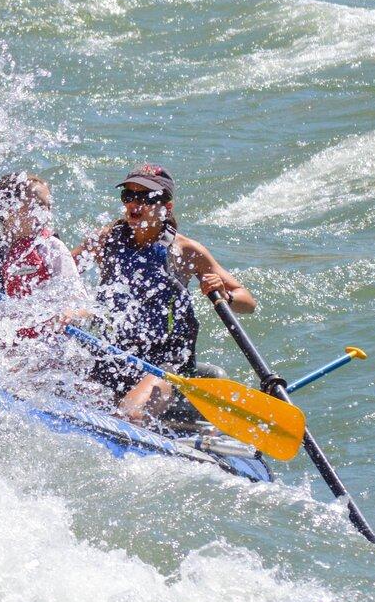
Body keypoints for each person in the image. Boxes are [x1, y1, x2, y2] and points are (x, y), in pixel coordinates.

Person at [73, 164, 255, 423]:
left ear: (166, 207)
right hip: (115, 353)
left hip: (165, 363)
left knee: (131, 416)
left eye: (147, 198)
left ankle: (191, 395)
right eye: (129, 196)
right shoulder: (106, 239)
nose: (135, 204)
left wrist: (225, 295)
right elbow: (64, 274)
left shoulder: (186, 251)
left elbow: (248, 302)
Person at [0, 172, 90, 339]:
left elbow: (82, 304)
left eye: (48, 206)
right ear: (8, 208)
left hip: (45, 351)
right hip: (0, 353)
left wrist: (68, 314)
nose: (47, 212)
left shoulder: (51, 248)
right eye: (39, 205)